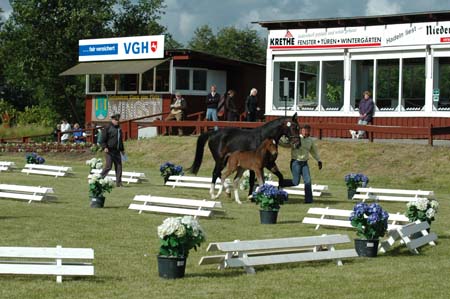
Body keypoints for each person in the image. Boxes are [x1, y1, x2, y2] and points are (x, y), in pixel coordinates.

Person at [281, 124, 322, 204]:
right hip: (296, 162)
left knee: (308, 181)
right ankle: (282, 183)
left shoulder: (310, 141)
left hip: (304, 163)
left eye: (307, 131)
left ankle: (309, 201)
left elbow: (314, 151)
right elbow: (285, 143)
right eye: (303, 131)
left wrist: (319, 160)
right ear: (301, 131)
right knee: (296, 182)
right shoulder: (296, 138)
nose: (305, 132)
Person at [100, 114, 125, 187]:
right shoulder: (107, 127)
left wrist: (122, 150)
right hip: (109, 151)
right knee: (108, 166)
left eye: (118, 120)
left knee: (119, 166)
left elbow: (120, 140)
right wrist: (104, 147)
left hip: (117, 151)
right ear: (112, 120)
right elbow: (102, 139)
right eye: (116, 120)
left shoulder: (119, 128)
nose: (117, 121)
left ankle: (119, 183)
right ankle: (99, 178)